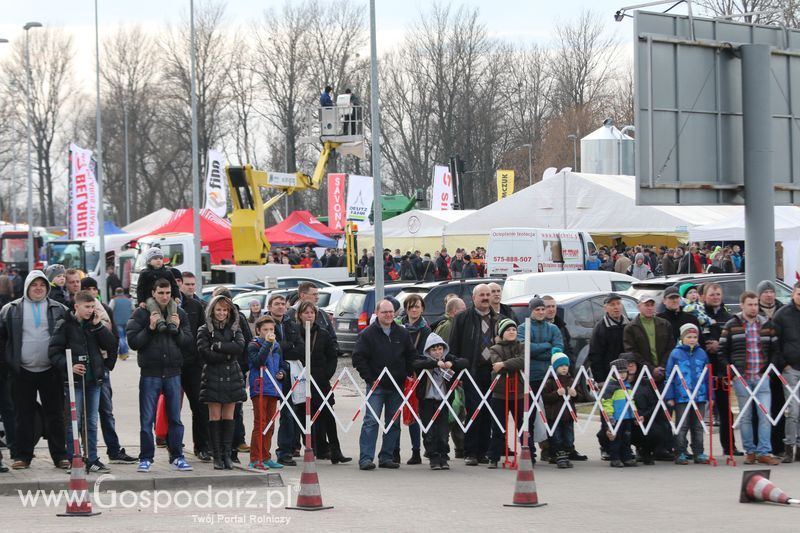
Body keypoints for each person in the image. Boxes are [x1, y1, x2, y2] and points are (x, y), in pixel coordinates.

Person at [0, 271, 69, 470]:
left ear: (47, 287)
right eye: (34, 285)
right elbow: (3, 339)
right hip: (22, 371)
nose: (38, 288)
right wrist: (7, 365)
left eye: (42, 285)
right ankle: (22, 456)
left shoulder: (59, 309)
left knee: (55, 414)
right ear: (27, 287)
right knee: (23, 415)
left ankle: (59, 455)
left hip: (51, 370)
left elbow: (68, 337)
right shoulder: (10, 310)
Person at [127, 278, 193, 473]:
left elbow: (188, 341)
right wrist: (150, 328)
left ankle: (177, 456)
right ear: (153, 293)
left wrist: (178, 328)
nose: (164, 297)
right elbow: (133, 342)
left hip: (173, 373)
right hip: (150, 373)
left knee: (175, 419)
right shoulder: (141, 313)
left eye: (167, 293)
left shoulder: (179, 313)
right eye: (160, 293)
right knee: (147, 419)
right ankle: (146, 458)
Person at [49, 289, 118, 473]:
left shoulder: (94, 324)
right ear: (76, 307)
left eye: (92, 307)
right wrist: (69, 366)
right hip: (74, 383)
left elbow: (111, 345)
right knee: (74, 422)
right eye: (87, 307)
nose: (90, 310)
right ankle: (74, 459)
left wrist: (98, 327)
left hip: (94, 380)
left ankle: (93, 458)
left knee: (92, 422)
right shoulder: (64, 324)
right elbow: (53, 352)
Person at [353, 299, 417, 470]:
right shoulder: (367, 334)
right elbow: (358, 357)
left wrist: (409, 374)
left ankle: (386, 457)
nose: (389, 315)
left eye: (391, 312)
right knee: (371, 421)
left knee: (393, 422)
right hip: (376, 386)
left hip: (397, 385)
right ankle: (366, 458)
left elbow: (411, 355)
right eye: (384, 312)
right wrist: (370, 379)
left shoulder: (402, 333)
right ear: (377, 313)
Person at [719, 290, 781, 466]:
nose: (754, 308)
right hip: (742, 378)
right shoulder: (732, 325)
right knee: (745, 416)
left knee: (765, 415)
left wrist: (769, 371)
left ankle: (764, 451)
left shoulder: (767, 324)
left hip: (762, 377)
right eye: (750, 305)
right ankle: (750, 451)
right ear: (742, 305)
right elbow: (723, 351)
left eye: (755, 305)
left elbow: (775, 350)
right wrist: (731, 371)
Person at [448, 284, 498, 466]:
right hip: (471, 371)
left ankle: (484, 451)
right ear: (474, 298)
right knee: (475, 409)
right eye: (482, 295)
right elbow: (453, 346)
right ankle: (470, 451)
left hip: (492, 372)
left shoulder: (497, 318)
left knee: (488, 411)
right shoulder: (462, 318)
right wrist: (457, 372)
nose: (485, 297)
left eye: (488, 294)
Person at [296, 302, 350, 464]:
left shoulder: (323, 334)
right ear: (300, 315)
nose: (309, 315)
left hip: (320, 380)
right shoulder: (295, 333)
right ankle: (313, 448)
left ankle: (335, 450)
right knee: (303, 415)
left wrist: (327, 373)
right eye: (306, 312)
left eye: (312, 313)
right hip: (300, 380)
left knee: (327, 415)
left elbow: (332, 356)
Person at [197, 295, 247, 470]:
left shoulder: (235, 328)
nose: (222, 313)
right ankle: (217, 456)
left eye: (225, 310)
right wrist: (227, 352)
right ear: (212, 310)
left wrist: (218, 346)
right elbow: (205, 353)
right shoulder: (204, 329)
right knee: (215, 417)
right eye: (218, 309)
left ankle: (227, 455)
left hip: (232, 376)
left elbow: (240, 348)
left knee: (229, 417)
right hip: (213, 376)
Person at [517, 297, 564, 463]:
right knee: (527, 416)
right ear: (531, 310)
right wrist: (546, 346)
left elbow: (558, 349)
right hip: (530, 378)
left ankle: (554, 450)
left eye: (543, 309)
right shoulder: (523, 328)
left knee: (552, 416)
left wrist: (541, 350)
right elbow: (524, 348)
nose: (541, 312)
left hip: (549, 378)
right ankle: (528, 451)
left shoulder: (553, 328)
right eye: (538, 309)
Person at [413, 333, 466, 470]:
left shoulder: (448, 358)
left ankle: (443, 455)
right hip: (427, 401)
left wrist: (451, 363)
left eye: (440, 349)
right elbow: (415, 364)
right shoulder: (423, 360)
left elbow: (465, 362)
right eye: (434, 349)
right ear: (428, 351)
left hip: (443, 402)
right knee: (429, 431)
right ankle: (433, 456)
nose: (437, 352)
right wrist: (435, 363)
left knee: (443, 432)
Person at [175, 270, 210, 462]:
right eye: (186, 284)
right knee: (173, 408)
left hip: (193, 364)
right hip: (172, 363)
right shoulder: (169, 305)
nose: (189, 287)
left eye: (191, 284)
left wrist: (200, 358)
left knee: (199, 405)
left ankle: (202, 446)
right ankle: (174, 445)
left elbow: (203, 333)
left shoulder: (197, 305)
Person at [701, 282, 739, 456]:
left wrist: (720, 345)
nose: (715, 297)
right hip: (702, 369)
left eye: (718, 294)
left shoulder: (728, 317)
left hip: (721, 369)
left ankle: (729, 446)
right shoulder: (699, 315)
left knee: (725, 409)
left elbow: (733, 342)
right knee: (695, 410)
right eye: (712, 294)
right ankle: (693, 448)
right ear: (704, 296)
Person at [664, 323, 710, 465]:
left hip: (699, 396)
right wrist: (670, 396)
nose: (692, 339)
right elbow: (669, 376)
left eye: (695, 337)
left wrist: (710, 396)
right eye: (689, 337)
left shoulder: (702, 353)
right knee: (682, 425)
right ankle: (680, 452)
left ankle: (699, 452)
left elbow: (707, 376)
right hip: (682, 396)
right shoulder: (675, 354)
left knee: (698, 425)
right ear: (682, 338)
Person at [269, 293, 305, 466]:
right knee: (267, 416)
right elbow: (270, 348)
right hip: (270, 372)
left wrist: (284, 346)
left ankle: (285, 452)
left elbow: (299, 348)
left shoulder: (292, 325)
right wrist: (286, 346)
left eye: (283, 303)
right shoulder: (265, 325)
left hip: (289, 373)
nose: (280, 306)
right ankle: (261, 454)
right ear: (270, 307)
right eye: (276, 303)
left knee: (289, 413)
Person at [247, 315, 285, 470]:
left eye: (271, 329)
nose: (269, 332)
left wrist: (282, 373)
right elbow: (258, 361)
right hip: (260, 388)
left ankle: (266, 456)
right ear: (258, 330)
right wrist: (267, 344)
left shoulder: (277, 346)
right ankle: (255, 458)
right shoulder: (254, 345)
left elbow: (282, 365)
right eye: (265, 329)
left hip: (273, 388)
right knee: (260, 423)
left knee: (270, 424)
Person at [487, 318, 525, 469]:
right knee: (498, 427)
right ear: (502, 333)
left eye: (514, 329)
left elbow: (523, 361)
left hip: (519, 393)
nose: (512, 332)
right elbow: (497, 367)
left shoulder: (521, 346)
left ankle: (530, 455)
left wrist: (504, 363)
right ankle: (494, 457)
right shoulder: (495, 349)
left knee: (523, 426)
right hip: (500, 394)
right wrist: (507, 365)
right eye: (508, 330)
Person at [396, 294, 430, 465]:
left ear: (422, 308)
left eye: (417, 306)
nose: (414, 310)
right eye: (411, 307)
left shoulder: (426, 329)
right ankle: (394, 450)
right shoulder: (397, 326)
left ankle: (416, 451)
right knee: (394, 414)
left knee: (414, 414)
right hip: (397, 373)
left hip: (417, 375)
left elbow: (426, 353)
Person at [541, 348, 584, 469]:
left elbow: (580, 397)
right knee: (557, 437)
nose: (564, 368)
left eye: (566, 365)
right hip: (554, 416)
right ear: (555, 367)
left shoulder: (571, 380)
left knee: (569, 438)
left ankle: (566, 454)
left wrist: (575, 394)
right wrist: (556, 394)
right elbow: (544, 397)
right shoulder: (550, 381)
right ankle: (559, 457)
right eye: (561, 366)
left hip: (568, 415)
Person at [773, 282, 800, 463]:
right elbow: (775, 343)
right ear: (793, 294)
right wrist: (783, 365)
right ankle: (789, 446)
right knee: (793, 411)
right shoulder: (782, 314)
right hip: (790, 369)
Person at [624, 295, 673, 377]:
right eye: (646, 305)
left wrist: (662, 366)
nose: (650, 308)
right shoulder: (630, 328)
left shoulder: (665, 324)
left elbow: (671, 347)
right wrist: (651, 369)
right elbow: (632, 352)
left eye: (652, 305)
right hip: (642, 375)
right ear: (638, 307)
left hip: (665, 371)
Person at [135, 248, 180, 334]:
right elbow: (140, 288)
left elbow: (174, 285)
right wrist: (141, 301)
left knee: (173, 304)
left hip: (166, 297)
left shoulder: (168, 272)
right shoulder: (145, 273)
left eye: (160, 258)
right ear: (149, 261)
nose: (158, 260)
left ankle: (171, 323)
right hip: (149, 297)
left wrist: (177, 296)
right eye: (155, 258)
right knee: (152, 304)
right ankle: (160, 322)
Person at [602, 358, 637, 468]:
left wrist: (635, 414)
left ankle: (627, 458)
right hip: (616, 418)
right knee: (616, 439)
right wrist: (609, 415)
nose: (622, 375)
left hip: (627, 417)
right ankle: (615, 458)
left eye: (624, 372)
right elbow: (606, 402)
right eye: (619, 372)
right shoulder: (611, 387)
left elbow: (631, 401)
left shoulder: (628, 386)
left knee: (627, 439)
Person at [588, 294, 630, 382]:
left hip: (628, 374)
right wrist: (600, 380)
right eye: (612, 304)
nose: (616, 307)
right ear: (605, 308)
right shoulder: (600, 328)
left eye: (618, 303)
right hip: (609, 376)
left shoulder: (629, 325)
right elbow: (595, 356)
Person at [109, 288, 133, 360]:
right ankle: (122, 354)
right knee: (124, 338)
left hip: (117, 322)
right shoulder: (129, 300)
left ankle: (125, 352)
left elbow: (110, 309)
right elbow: (133, 308)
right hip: (127, 321)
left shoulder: (113, 300)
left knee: (121, 338)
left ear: (116, 292)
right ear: (123, 292)